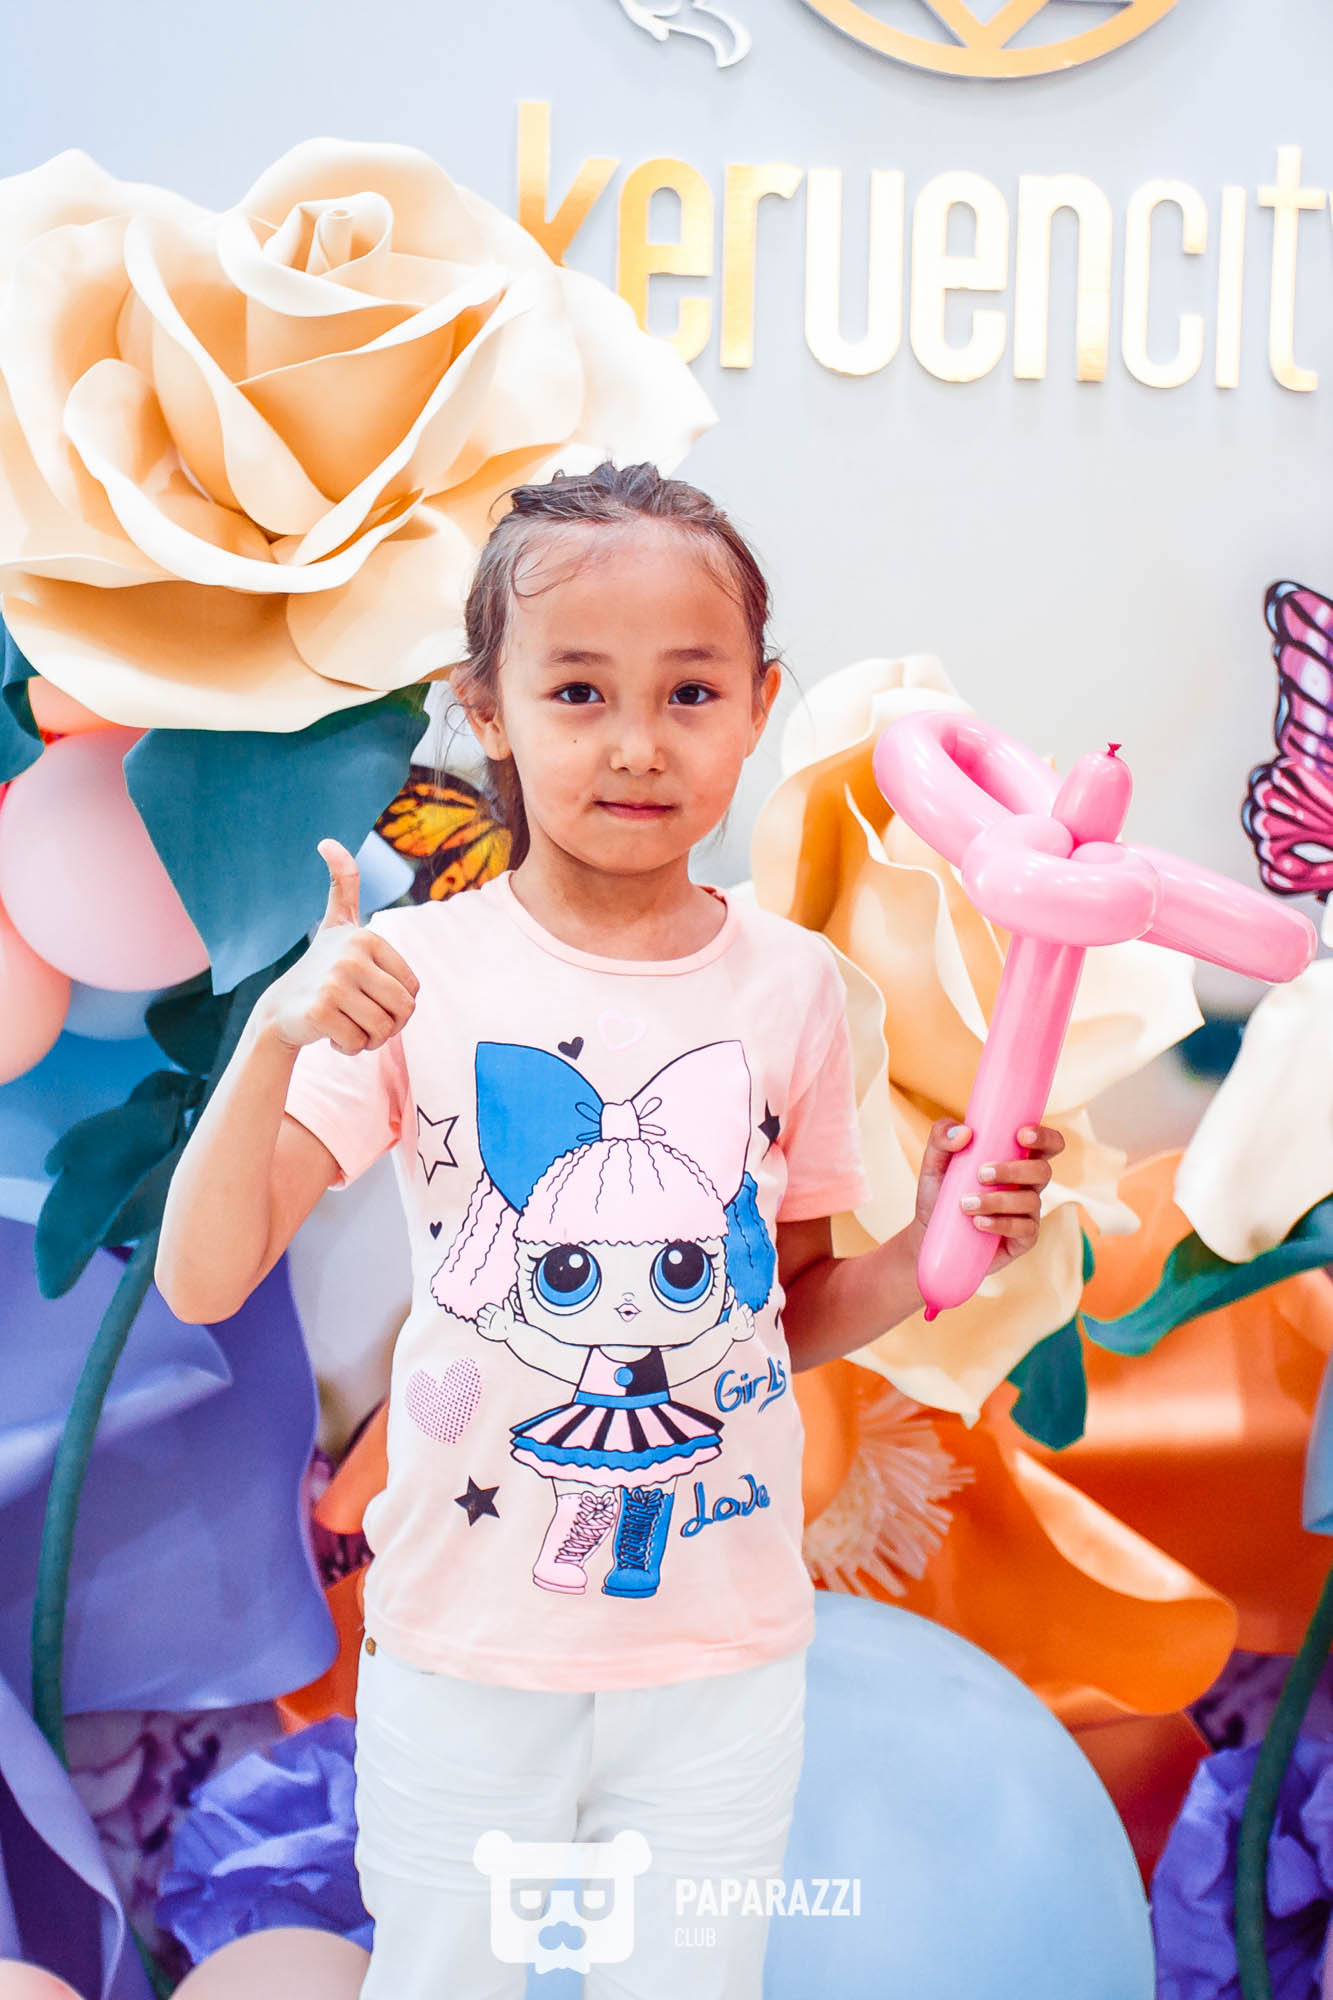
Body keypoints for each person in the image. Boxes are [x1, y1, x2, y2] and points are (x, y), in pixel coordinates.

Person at [155, 460, 1063, 2000]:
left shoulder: (790, 990)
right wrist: (270, 1043)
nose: (637, 743)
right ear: (487, 708)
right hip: (463, 1656)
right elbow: (202, 1275)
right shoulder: (415, 973)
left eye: (689, 692)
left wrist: (943, 1238)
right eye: (578, 691)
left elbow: (784, 1310)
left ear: (756, 705)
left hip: (719, 1664)